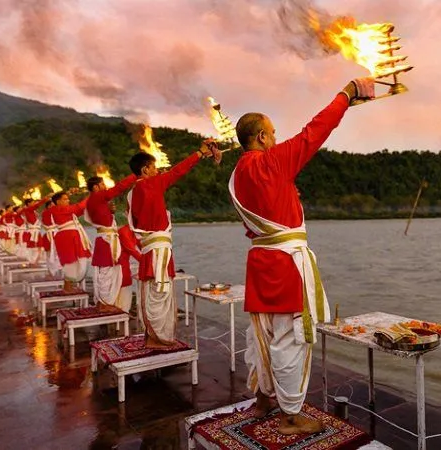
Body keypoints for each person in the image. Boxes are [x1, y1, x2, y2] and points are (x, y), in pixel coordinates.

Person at [228, 78, 375, 434]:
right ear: (261, 137)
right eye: (273, 133)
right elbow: (315, 131)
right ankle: (290, 415)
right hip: (286, 265)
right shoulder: (272, 163)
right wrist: (346, 93)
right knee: (291, 337)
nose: (277, 138)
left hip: (259, 262)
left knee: (261, 333)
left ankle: (264, 398)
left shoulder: (235, 176)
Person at [127, 142, 220, 348]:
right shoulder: (151, 184)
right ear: (145, 170)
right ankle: (156, 339)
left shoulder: (133, 193)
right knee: (161, 293)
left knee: (152, 293)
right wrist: (199, 153)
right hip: (158, 250)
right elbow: (179, 170)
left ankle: (152, 336)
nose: (157, 170)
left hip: (150, 249)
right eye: (153, 167)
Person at [85, 173, 137, 311]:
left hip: (106, 239)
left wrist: (110, 212)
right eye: (102, 184)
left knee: (106, 272)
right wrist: (135, 176)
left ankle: (104, 302)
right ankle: (104, 304)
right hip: (106, 240)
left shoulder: (94, 200)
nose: (104, 186)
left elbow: (103, 219)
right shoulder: (97, 196)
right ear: (95, 187)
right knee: (106, 273)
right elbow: (118, 188)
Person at [50, 189, 90, 292]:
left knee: (76, 260)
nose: (68, 201)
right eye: (65, 199)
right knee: (69, 261)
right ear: (58, 201)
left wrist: (87, 196)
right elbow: (79, 206)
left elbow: (80, 210)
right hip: (66, 237)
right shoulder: (57, 209)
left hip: (71, 236)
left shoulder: (65, 210)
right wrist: (92, 196)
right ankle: (67, 287)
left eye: (68, 199)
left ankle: (69, 285)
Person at [116, 223, 142, 313]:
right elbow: (133, 251)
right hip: (117, 265)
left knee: (125, 285)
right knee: (123, 286)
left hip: (124, 263)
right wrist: (149, 263)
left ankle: (122, 312)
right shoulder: (124, 232)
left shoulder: (134, 231)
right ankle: (120, 313)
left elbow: (142, 246)